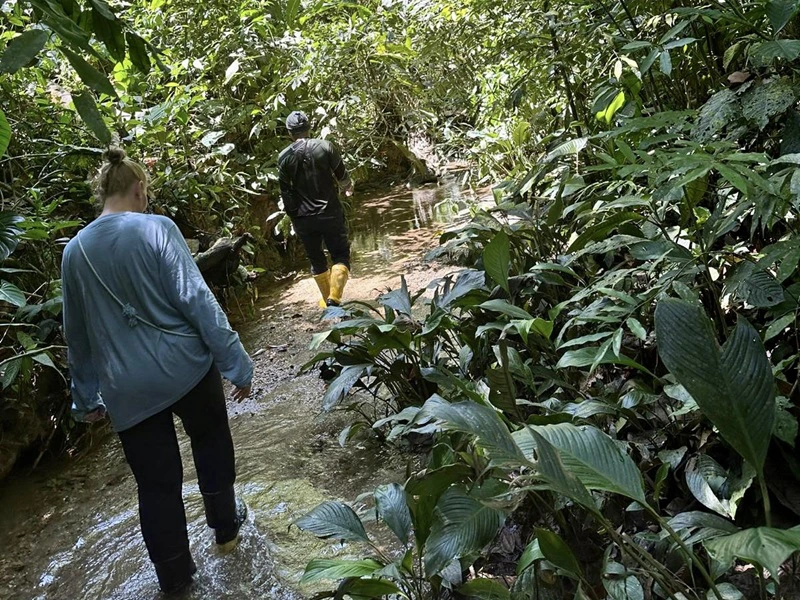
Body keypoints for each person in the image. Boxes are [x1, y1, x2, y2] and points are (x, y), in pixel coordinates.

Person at [61, 148, 253, 595]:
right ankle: (226, 532)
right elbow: (198, 301)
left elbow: (79, 336)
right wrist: (235, 362)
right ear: (138, 189)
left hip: (127, 390)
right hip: (185, 368)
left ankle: (175, 580)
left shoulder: (74, 254)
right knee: (210, 443)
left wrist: (86, 399)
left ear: (101, 192)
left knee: (157, 486)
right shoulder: (157, 229)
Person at [277, 110, 353, 307]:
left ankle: (329, 303)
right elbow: (342, 174)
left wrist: (293, 215)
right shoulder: (326, 147)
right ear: (309, 128)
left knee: (316, 259)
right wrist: (347, 188)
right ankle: (334, 297)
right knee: (340, 255)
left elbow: (286, 192)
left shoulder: (283, 157)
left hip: (303, 218)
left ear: (289, 133)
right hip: (330, 212)